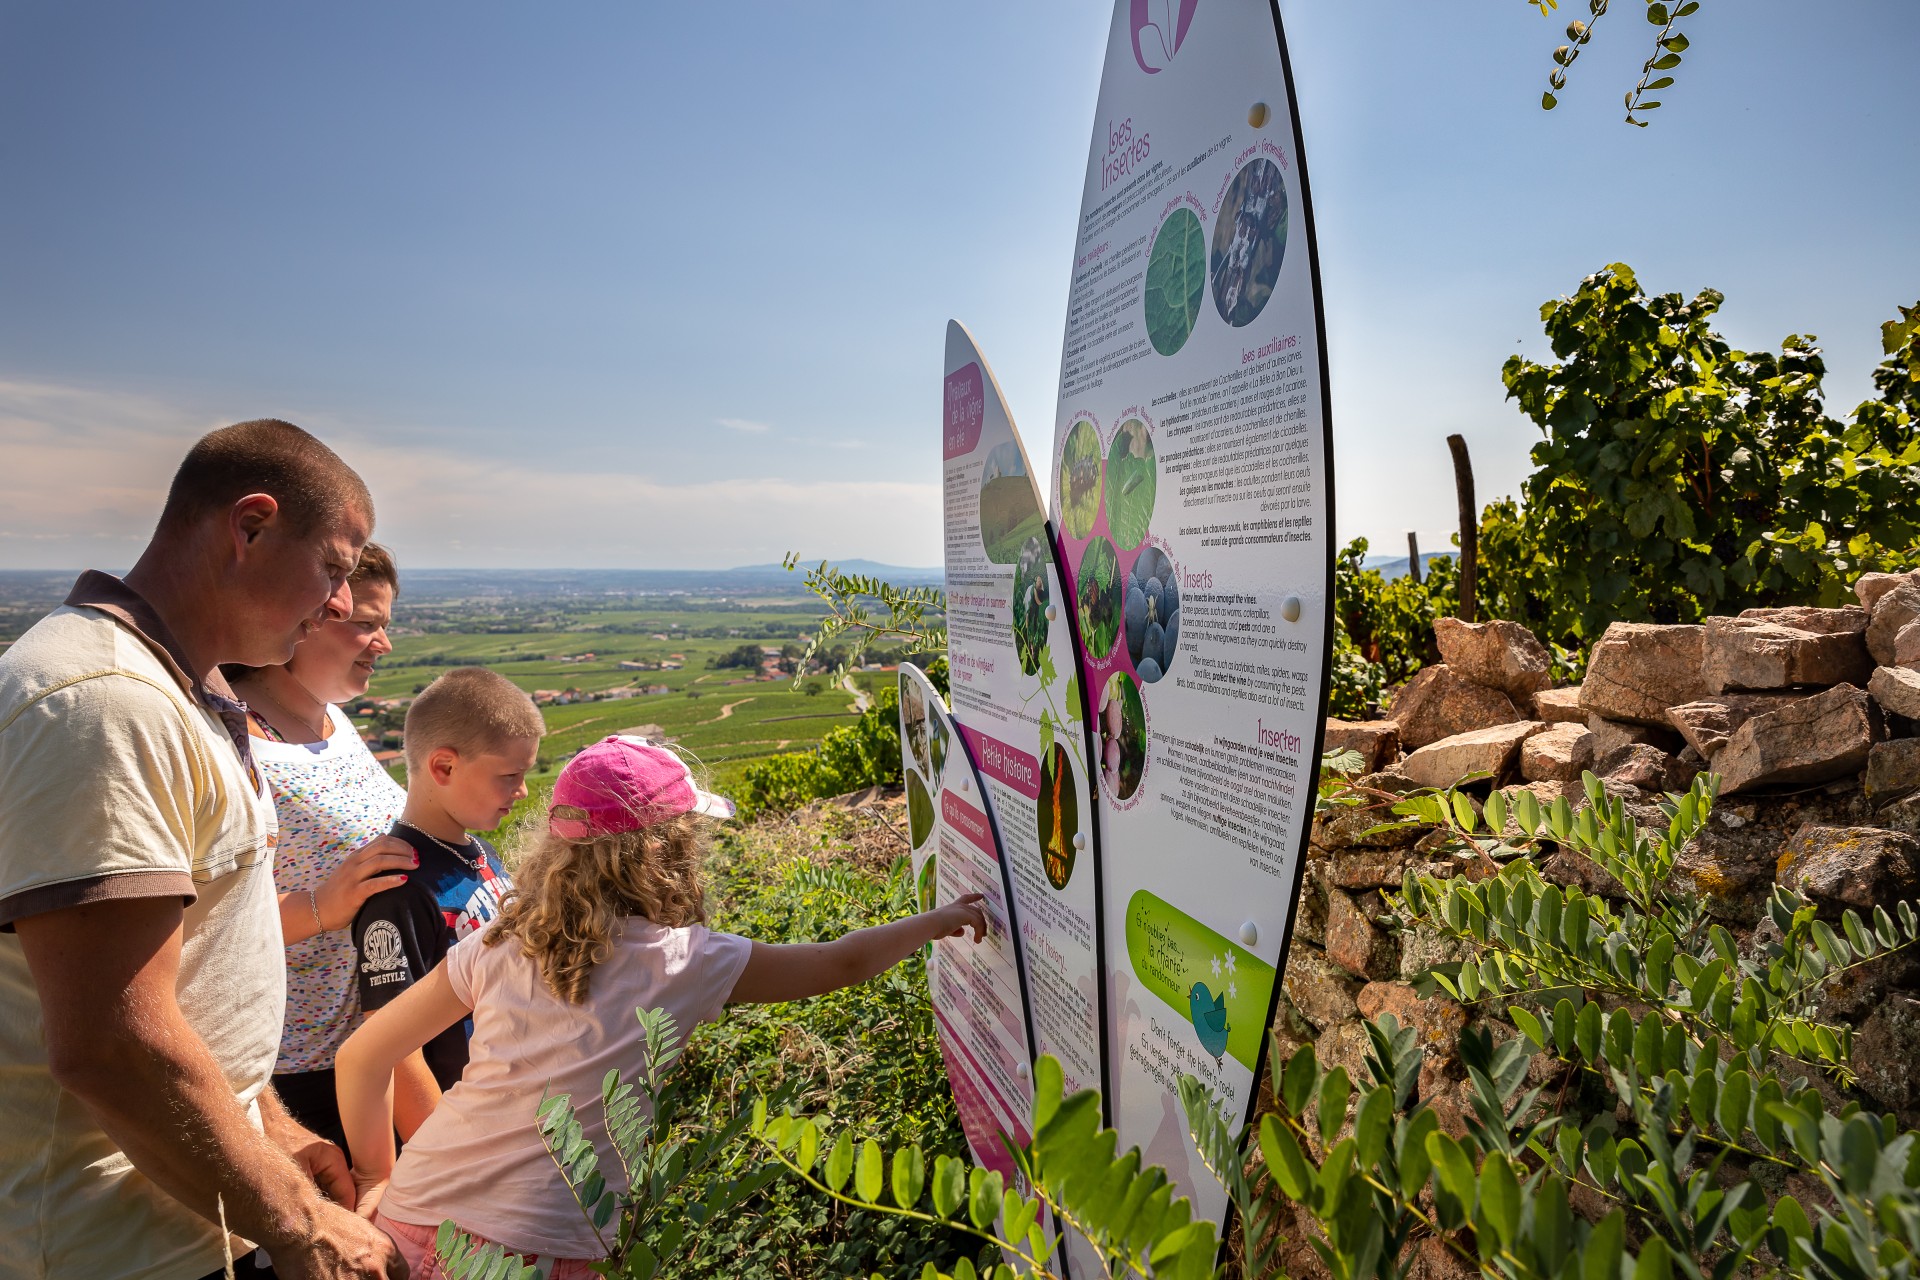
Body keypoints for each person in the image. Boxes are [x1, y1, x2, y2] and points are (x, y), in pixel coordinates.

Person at [334, 737, 987, 1278]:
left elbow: (363, 1055)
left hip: (414, 1216)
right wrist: (937, 921)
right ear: (667, 851)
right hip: (536, 1249)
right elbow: (839, 962)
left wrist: (375, 1178)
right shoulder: (682, 961)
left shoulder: (501, 942)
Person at [0, 420, 407, 1280]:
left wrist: (275, 1133)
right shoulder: (105, 703)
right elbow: (114, 1040)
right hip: (105, 1246)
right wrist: (304, 1224)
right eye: (333, 568)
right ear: (250, 527)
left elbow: (193, 985)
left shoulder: (182, 696)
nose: (340, 604)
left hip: (192, 1211)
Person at [227, 542, 417, 1160]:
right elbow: (200, 923)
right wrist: (317, 906)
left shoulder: (332, 721)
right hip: (301, 1071)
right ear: (302, 619)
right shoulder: (236, 744)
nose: (382, 643)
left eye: (384, 625)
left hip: (381, 1038)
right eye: (363, 623)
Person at [351, 667, 543, 1137]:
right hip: (460, 1132)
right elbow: (392, 1048)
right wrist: (441, 1156)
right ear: (444, 767)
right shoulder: (399, 889)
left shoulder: (477, 852)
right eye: (510, 775)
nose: (521, 791)